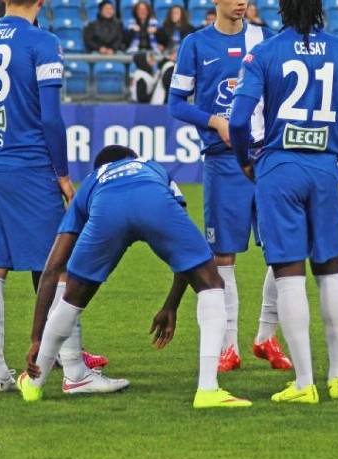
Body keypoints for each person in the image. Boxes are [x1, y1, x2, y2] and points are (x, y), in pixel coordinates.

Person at [0, 0, 111, 394]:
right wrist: (63, 175)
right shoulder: (44, 43)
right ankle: (75, 371)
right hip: (29, 169)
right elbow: (51, 119)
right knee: (60, 267)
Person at [17, 145, 251, 409]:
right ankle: (208, 390)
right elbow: (189, 256)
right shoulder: (152, 167)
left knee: (72, 298)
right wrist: (170, 305)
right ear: (132, 158)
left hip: (107, 209)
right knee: (211, 283)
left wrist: (36, 337)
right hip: (153, 201)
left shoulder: (92, 182)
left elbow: (51, 268)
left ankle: (34, 385)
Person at [229, 0, 338, 404]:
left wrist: (246, 160)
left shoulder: (264, 54)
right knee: (330, 272)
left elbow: (236, 120)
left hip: (279, 169)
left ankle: (305, 383)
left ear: (282, 4)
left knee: (289, 275)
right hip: (326, 169)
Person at [168, 0, 292, 373]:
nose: (241, 2)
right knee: (224, 257)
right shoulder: (196, 45)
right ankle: (229, 344)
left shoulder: (264, 39)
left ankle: (266, 337)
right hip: (223, 164)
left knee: (281, 252)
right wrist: (214, 121)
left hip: (266, 157)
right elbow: (176, 104)